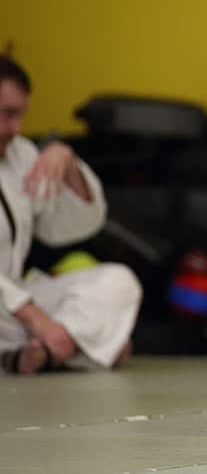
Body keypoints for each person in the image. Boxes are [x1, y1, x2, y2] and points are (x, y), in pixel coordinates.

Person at [0, 54, 141, 375]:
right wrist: (38, 319)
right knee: (110, 341)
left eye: (20, 116)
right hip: (14, 309)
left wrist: (66, 162)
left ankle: (41, 350)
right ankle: (78, 346)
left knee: (119, 281)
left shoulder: (19, 153)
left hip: (12, 308)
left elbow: (68, 227)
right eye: (7, 114)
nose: (16, 128)